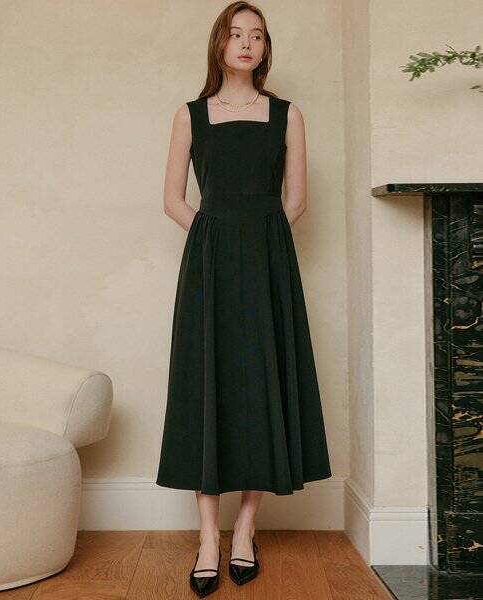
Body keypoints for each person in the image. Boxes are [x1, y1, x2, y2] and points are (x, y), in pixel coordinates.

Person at [156, 1, 332, 596]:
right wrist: (215, 237)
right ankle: (208, 536)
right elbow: (173, 200)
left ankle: (245, 529)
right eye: (236, 34)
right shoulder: (190, 115)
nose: (247, 43)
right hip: (208, 267)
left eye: (256, 35)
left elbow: (296, 200)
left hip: (267, 265)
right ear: (220, 44)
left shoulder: (287, 115)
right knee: (207, 383)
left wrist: (257, 244)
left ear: (265, 47)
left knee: (262, 386)